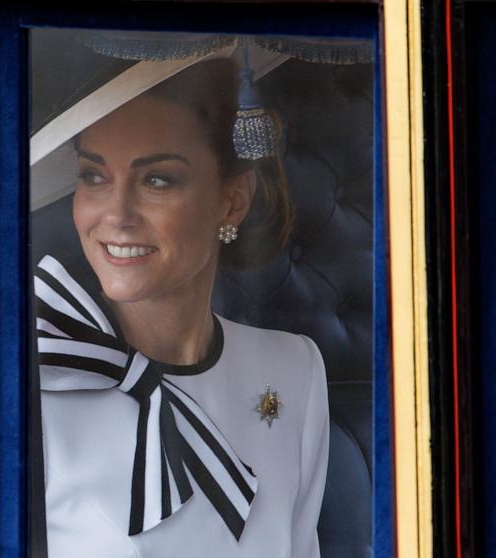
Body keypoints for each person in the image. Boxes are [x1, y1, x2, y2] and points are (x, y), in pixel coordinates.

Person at [35, 58, 329, 557]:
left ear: (232, 201)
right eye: (94, 176)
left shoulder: (294, 368)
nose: (117, 215)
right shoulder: (36, 378)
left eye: (157, 181)